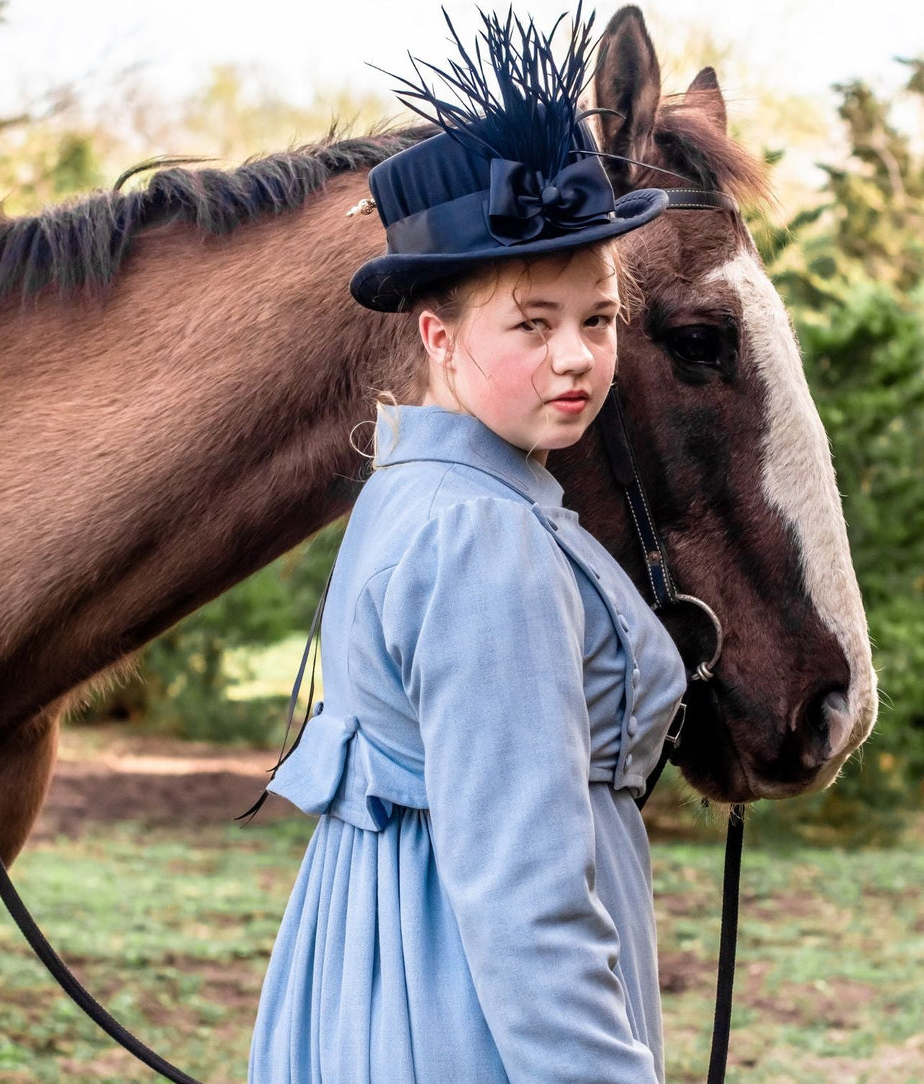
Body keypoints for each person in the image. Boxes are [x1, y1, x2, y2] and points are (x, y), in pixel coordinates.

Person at [247, 7, 687, 1081]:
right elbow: (523, 893)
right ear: (437, 337)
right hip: (465, 1016)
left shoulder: (417, 486)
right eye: (531, 325)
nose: (575, 358)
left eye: (600, 318)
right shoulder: (484, 538)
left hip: (390, 970)